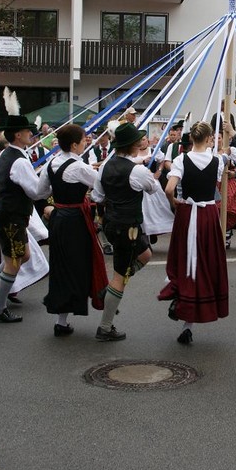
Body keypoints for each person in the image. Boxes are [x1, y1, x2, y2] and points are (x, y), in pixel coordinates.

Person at [0, 102, 45, 323]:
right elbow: (36, 191)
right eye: (28, 131)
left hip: (7, 213)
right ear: (18, 135)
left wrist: (0, 196)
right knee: (14, 261)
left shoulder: (5, 155)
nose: (32, 134)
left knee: (23, 255)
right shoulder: (20, 160)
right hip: (12, 216)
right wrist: (50, 179)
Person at [89, 122, 163, 340]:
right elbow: (153, 188)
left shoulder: (106, 166)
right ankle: (104, 327)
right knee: (120, 277)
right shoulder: (137, 171)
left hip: (112, 223)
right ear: (132, 146)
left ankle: (109, 291)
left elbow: (97, 196)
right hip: (127, 227)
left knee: (146, 254)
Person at [159, 121, 229, 344]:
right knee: (205, 261)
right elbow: (224, 161)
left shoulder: (181, 159)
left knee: (184, 259)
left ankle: (181, 299)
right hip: (208, 214)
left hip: (187, 212)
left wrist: (174, 203)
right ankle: (190, 312)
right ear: (209, 139)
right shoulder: (217, 161)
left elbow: (169, 188)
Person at [36, 123, 105, 336]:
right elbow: (100, 190)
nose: (87, 142)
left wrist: (50, 207)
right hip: (76, 220)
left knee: (60, 265)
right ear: (75, 144)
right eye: (84, 139)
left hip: (58, 218)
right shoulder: (80, 167)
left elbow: (40, 192)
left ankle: (61, 320)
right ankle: (81, 309)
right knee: (80, 265)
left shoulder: (51, 164)